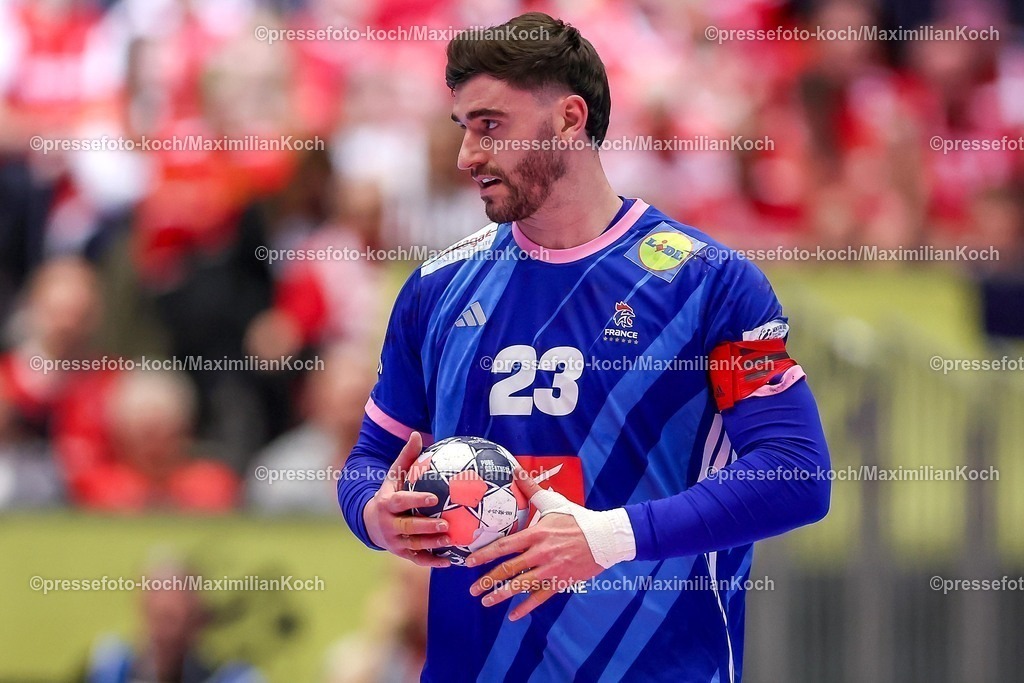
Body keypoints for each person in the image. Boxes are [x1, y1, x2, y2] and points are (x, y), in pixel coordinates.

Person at [339, 12, 830, 682]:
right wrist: (374, 512)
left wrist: (609, 535)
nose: (466, 157)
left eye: (490, 125)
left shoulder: (708, 283)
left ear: (570, 119)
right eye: (464, 129)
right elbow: (369, 458)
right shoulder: (436, 289)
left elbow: (795, 472)